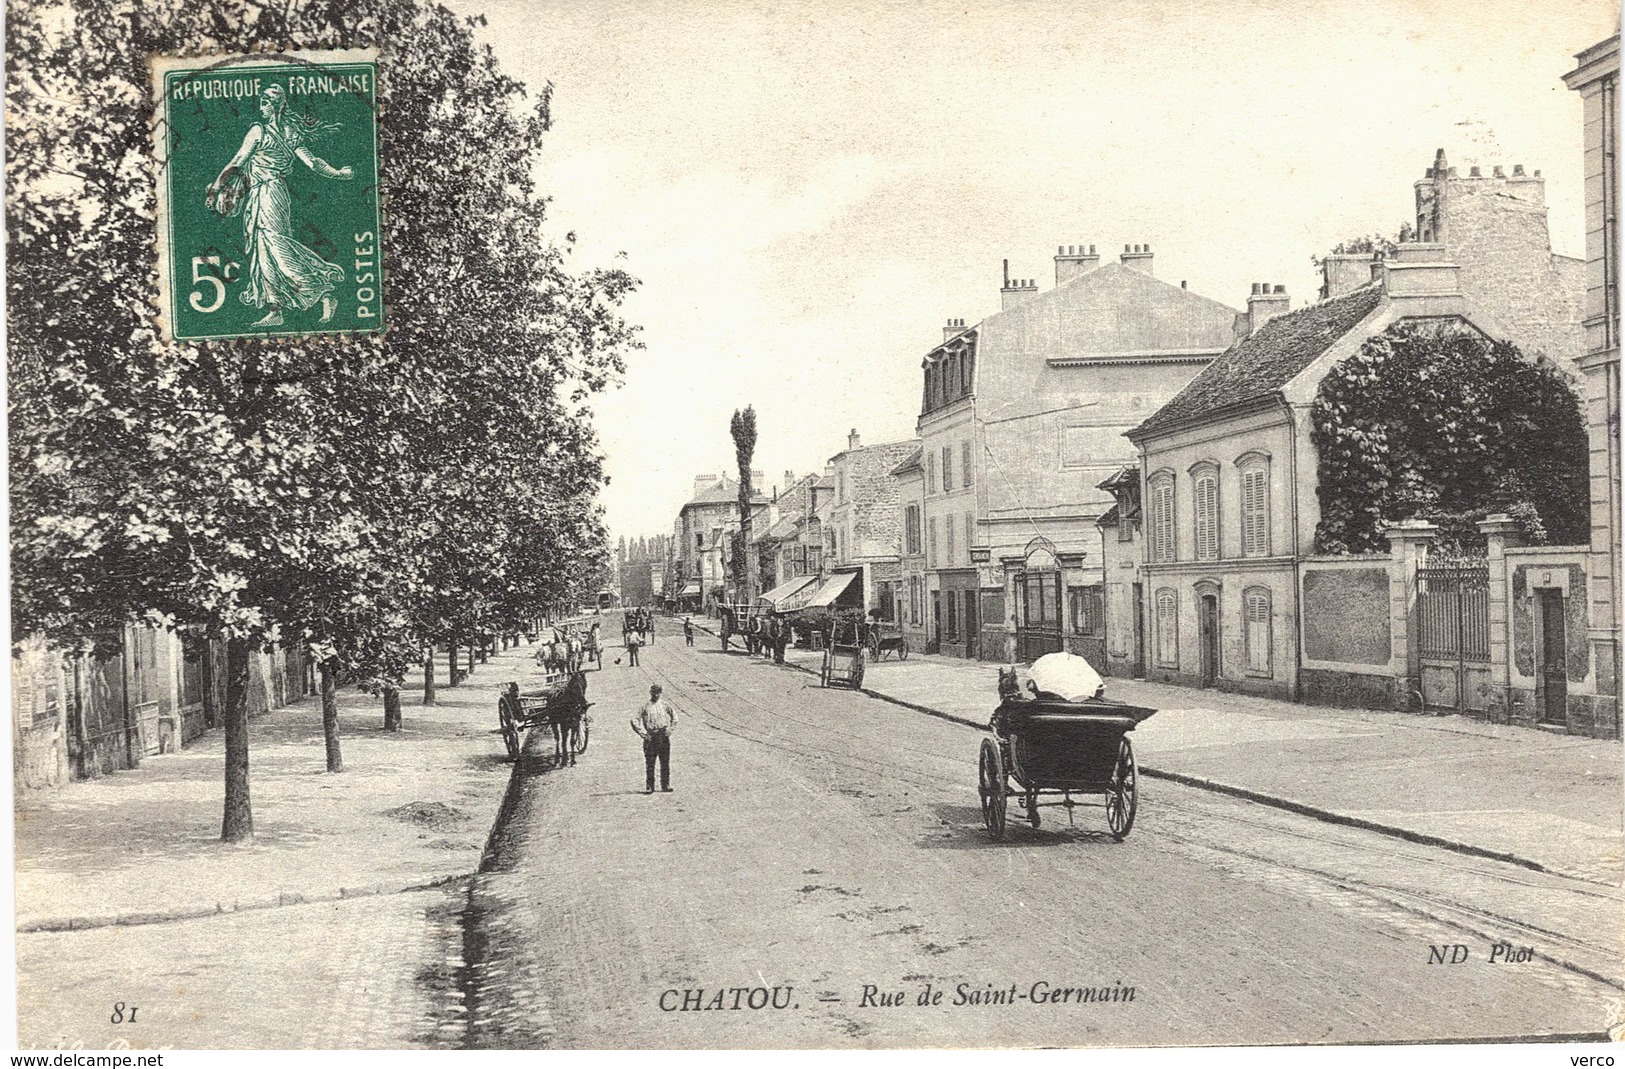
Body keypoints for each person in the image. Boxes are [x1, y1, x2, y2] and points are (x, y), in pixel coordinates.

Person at [208, 85, 352, 327]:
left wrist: (215, 188)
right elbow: (314, 163)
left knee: (275, 247)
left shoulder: (259, 130)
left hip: (267, 193)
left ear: (273, 104)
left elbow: (237, 162)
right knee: (263, 248)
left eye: (264, 102)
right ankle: (276, 309)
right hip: (270, 193)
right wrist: (338, 173)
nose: (261, 107)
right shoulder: (290, 132)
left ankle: (323, 292)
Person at [630, 683, 677, 793]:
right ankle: (650, 786)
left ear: (661, 693)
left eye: (658, 693)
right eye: (653, 693)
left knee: (665, 762)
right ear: (650, 693)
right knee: (650, 763)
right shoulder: (644, 706)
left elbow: (675, 717)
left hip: (663, 736)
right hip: (651, 737)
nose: (655, 695)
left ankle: (665, 785)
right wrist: (642, 733)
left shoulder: (665, 705)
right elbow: (634, 720)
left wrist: (670, 729)